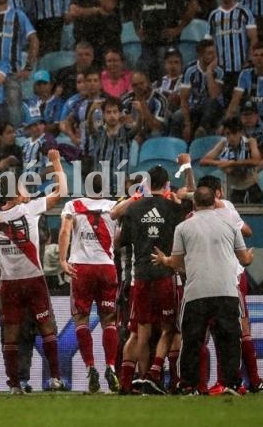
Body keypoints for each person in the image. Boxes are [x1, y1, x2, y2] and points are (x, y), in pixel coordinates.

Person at [152, 186, 254, 396]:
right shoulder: (230, 224)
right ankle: (231, 383)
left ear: (195, 204)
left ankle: (189, 385)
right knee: (229, 339)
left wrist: (164, 260)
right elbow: (244, 259)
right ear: (214, 202)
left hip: (197, 291)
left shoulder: (183, 227)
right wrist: (250, 257)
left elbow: (176, 262)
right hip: (226, 290)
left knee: (192, 340)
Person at [0, 149, 68, 394]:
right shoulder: (30, 209)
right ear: (19, 193)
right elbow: (61, 192)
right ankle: (54, 378)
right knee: (46, 328)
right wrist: (56, 162)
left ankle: (14, 385)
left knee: (11, 331)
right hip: (33, 280)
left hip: (8, 281)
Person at [117, 165, 182, 395]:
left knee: (139, 333)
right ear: (166, 185)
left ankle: (129, 383)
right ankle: (161, 376)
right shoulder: (175, 209)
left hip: (141, 276)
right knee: (169, 329)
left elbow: (119, 241)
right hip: (165, 274)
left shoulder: (134, 208)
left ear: (145, 184)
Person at [58, 175, 120, 394]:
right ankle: (111, 366)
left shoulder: (73, 205)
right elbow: (120, 236)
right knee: (109, 319)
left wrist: (62, 260)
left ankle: (90, 366)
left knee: (81, 319)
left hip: (81, 268)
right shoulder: (114, 206)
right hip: (106, 266)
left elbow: (65, 231)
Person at [134, 0, 197, 81]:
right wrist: (137, 30)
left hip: (167, 41)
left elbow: (193, 5)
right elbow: (134, 10)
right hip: (148, 41)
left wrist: (179, 28)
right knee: (148, 79)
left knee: (168, 78)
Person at [208, 0, 258, 98]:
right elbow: (209, 42)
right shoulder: (214, 15)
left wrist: (249, 60)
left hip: (241, 67)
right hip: (221, 70)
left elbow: (254, 38)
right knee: (222, 104)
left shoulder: (244, 12)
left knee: (242, 104)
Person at [200, 116, 263, 204]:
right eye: (228, 134)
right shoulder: (223, 144)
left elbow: (256, 161)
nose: (231, 137)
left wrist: (232, 163)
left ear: (240, 132)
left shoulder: (250, 142)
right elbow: (203, 161)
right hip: (234, 189)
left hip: (251, 187)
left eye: (234, 133)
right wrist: (221, 163)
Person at [173, 38, 224, 141]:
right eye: (210, 53)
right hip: (194, 107)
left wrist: (209, 72)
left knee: (211, 103)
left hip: (213, 108)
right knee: (177, 116)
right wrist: (187, 124)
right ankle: (176, 147)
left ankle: (200, 132)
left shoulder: (219, 70)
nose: (214, 56)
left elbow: (214, 95)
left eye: (215, 53)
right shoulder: (189, 70)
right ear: (200, 55)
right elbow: (184, 99)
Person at [228, 42, 263, 128]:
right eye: (256, 55)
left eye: (262, 55)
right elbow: (235, 100)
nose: (259, 58)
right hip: (249, 116)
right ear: (252, 57)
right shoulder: (244, 73)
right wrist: (225, 123)